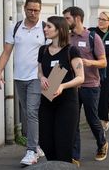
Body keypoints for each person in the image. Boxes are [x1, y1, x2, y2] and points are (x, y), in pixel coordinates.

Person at [0, 0, 45, 165]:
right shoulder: (15, 27)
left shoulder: (45, 29)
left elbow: (56, 53)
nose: (33, 13)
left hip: (36, 78)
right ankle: (37, 144)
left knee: (31, 112)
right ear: (24, 8)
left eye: (36, 10)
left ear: (40, 10)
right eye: (30, 9)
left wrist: (53, 82)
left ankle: (31, 151)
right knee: (28, 112)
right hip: (19, 77)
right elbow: (6, 52)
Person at [63, 6, 108, 165]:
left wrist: (88, 62)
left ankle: (102, 143)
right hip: (73, 86)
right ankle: (75, 156)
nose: (65, 21)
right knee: (73, 121)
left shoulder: (92, 37)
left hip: (90, 85)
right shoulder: (67, 38)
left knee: (92, 119)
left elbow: (104, 62)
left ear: (77, 18)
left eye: (67, 18)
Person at [37, 16, 84, 163]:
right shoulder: (43, 50)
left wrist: (62, 85)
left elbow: (80, 77)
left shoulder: (71, 50)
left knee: (63, 144)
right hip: (47, 101)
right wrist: (42, 78)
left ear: (60, 29)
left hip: (67, 103)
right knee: (45, 142)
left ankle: (63, 165)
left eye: (49, 26)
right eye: (45, 26)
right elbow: (39, 71)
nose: (45, 29)